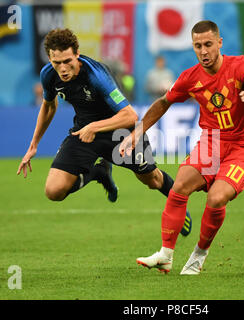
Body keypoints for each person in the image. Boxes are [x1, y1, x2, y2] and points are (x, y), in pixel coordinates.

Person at [119, 20, 244, 274]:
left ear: (220, 43)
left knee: (216, 198)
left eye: (208, 45)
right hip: (212, 141)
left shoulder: (240, 66)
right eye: (198, 46)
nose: (203, 51)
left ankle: (199, 255)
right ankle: (166, 255)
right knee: (179, 186)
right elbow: (163, 102)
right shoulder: (191, 77)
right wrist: (138, 130)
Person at [17, 28, 192, 237]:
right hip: (84, 132)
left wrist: (94, 126)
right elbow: (49, 105)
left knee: (152, 180)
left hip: (122, 132)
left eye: (67, 61)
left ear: (77, 54)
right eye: (57, 63)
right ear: (50, 59)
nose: (62, 68)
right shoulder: (48, 74)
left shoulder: (96, 75)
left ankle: (178, 206)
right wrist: (34, 144)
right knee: (53, 191)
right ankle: (98, 172)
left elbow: (130, 116)